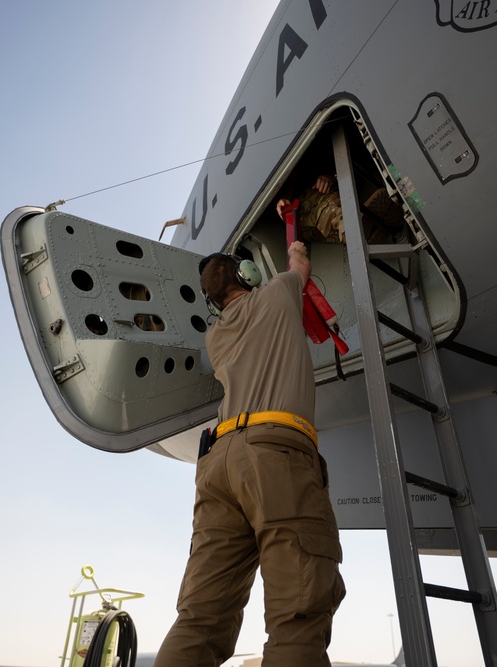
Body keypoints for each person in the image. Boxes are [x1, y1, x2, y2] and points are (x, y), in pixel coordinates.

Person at [153, 242, 346, 667]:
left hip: (218, 464)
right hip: (273, 453)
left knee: (200, 619)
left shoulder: (215, 335)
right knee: (297, 613)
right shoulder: (278, 293)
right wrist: (294, 244)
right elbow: (300, 264)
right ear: (248, 275)